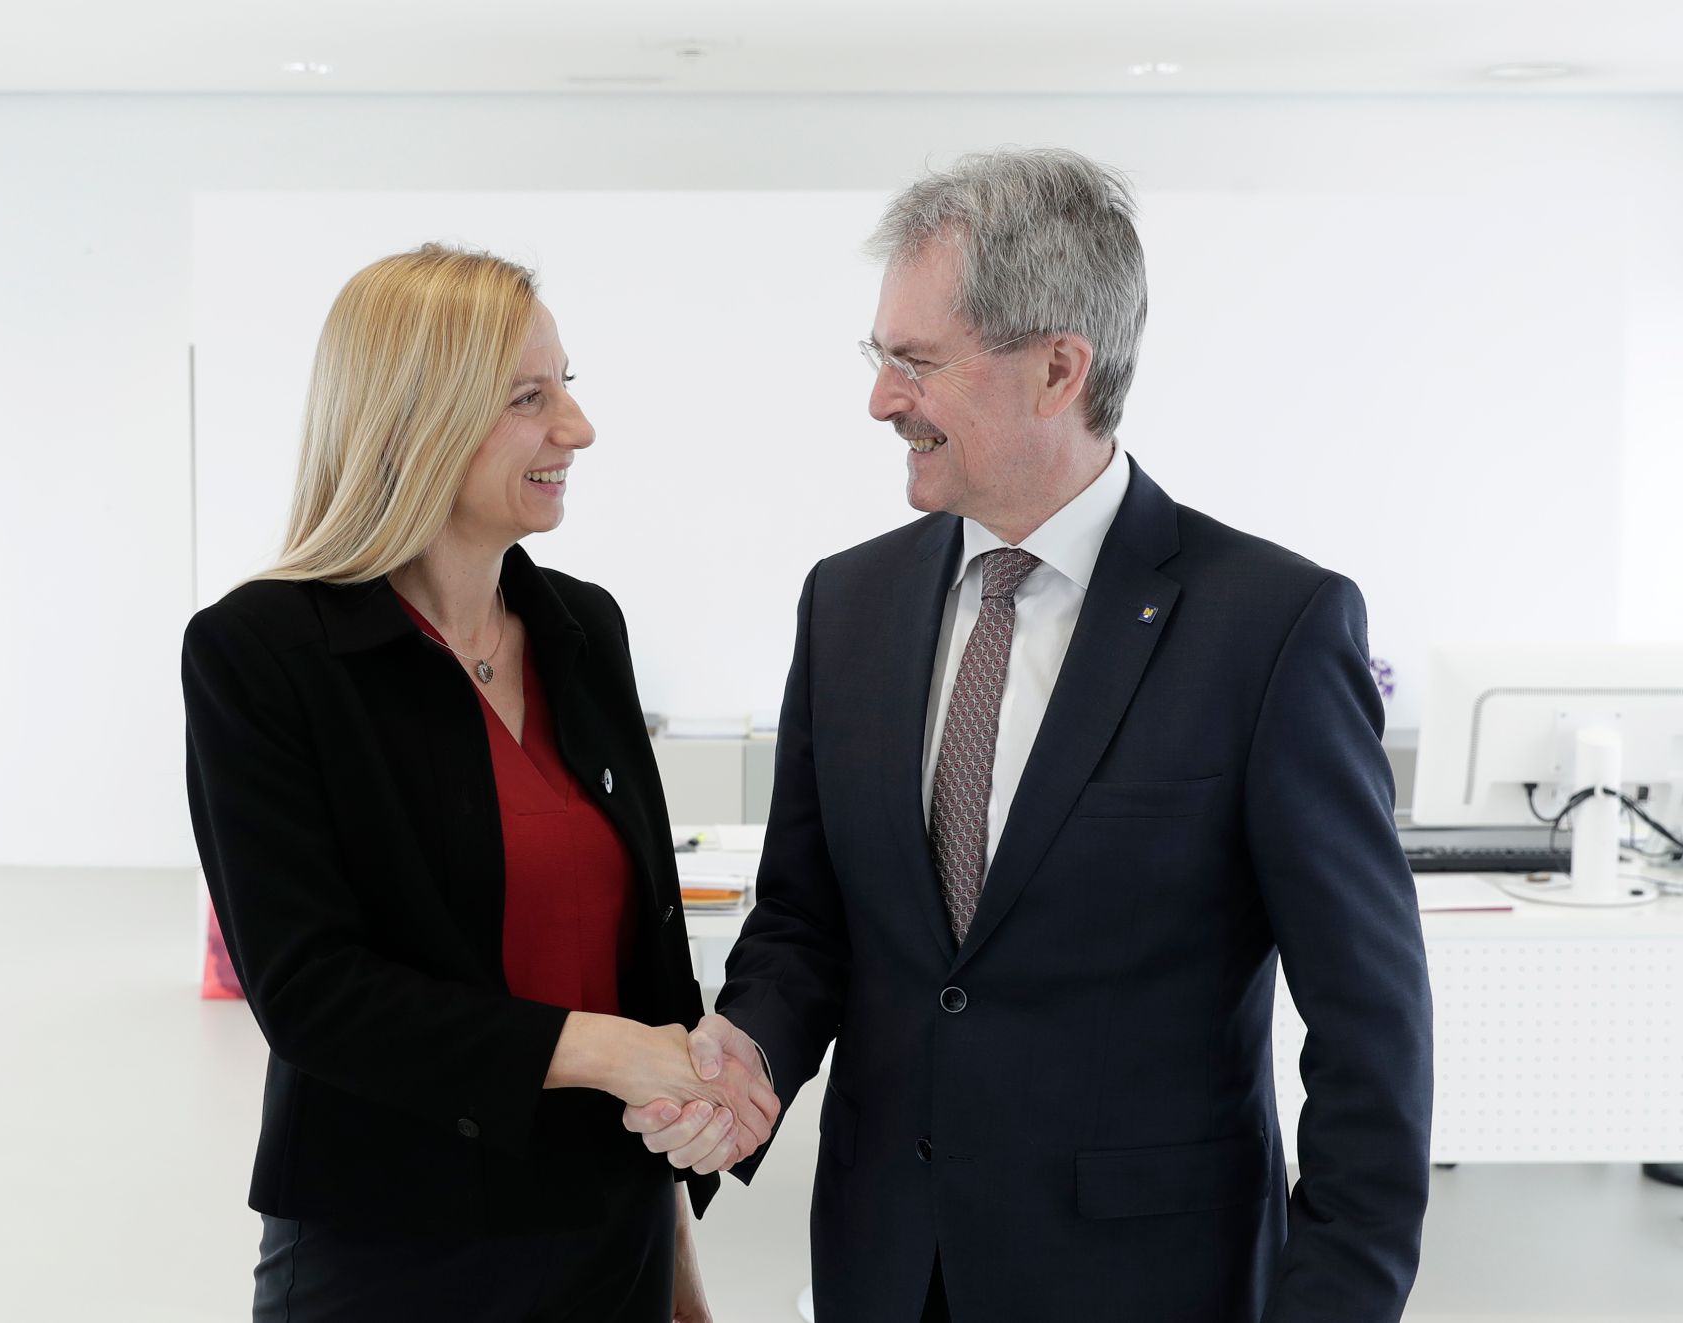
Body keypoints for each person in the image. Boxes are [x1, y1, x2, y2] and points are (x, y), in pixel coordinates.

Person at [626, 150, 1434, 1321]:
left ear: (1058, 366)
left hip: (1146, 1279)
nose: (879, 399)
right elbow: (807, 918)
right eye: (878, 358)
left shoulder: (1271, 626)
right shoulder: (845, 604)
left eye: (915, 363)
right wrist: (753, 1052)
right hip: (886, 1264)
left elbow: (1371, 1026)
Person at [182, 243, 777, 1322]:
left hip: (610, 1236)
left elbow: (640, 973)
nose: (575, 430)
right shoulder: (260, 651)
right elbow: (311, 995)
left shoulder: (582, 628)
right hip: (390, 1251)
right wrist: (609, 1053)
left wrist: (677, 1261)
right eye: (526, 398)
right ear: (412, 422)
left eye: (567, 388)